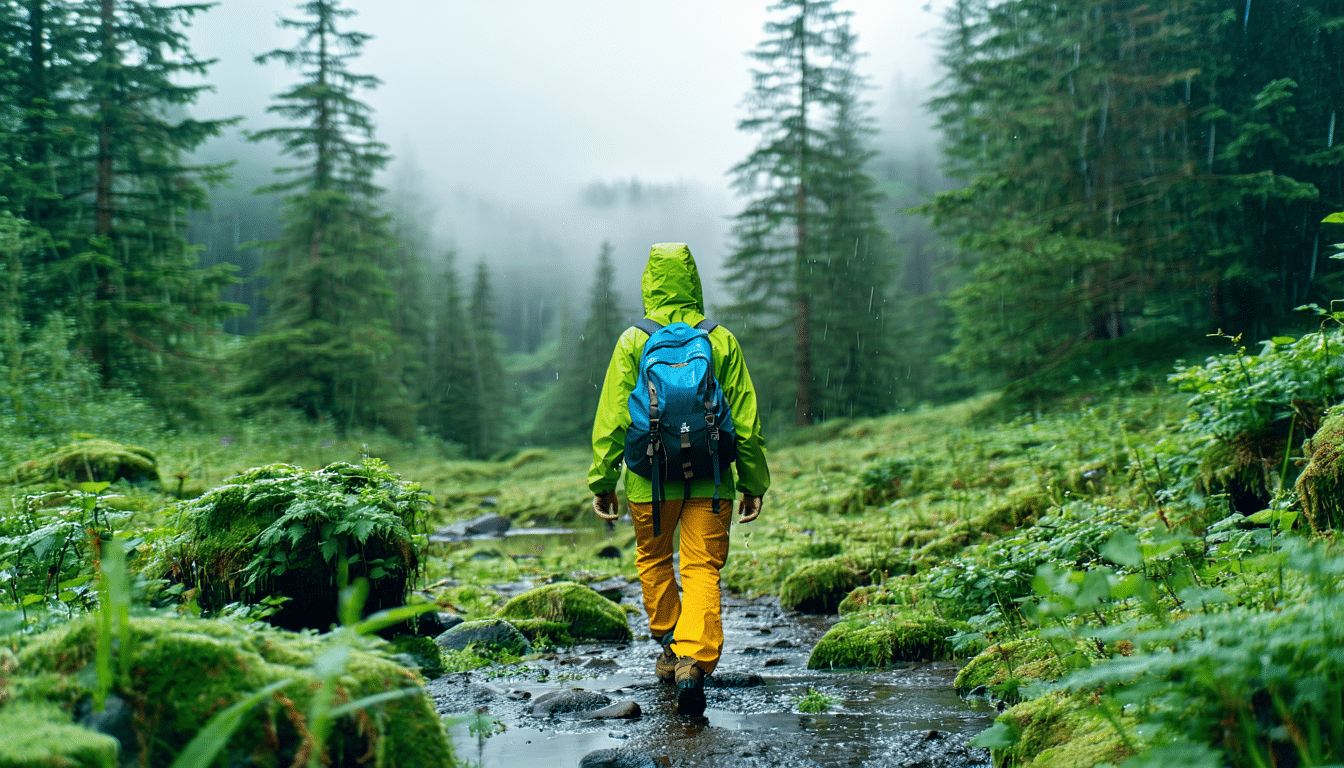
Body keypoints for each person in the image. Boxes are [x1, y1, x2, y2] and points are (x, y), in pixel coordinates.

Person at [588, 242, 769, 717]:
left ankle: (669, 644)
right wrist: (753, 481)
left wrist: (602, 480)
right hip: (710, 478)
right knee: (702, 567)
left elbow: (611, 417)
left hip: (649, 477)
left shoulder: (634, 339)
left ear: (649, 283)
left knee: (654, 559)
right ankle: (693, 659)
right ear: (694, 282)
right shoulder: (720, 338)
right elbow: (745, 420)